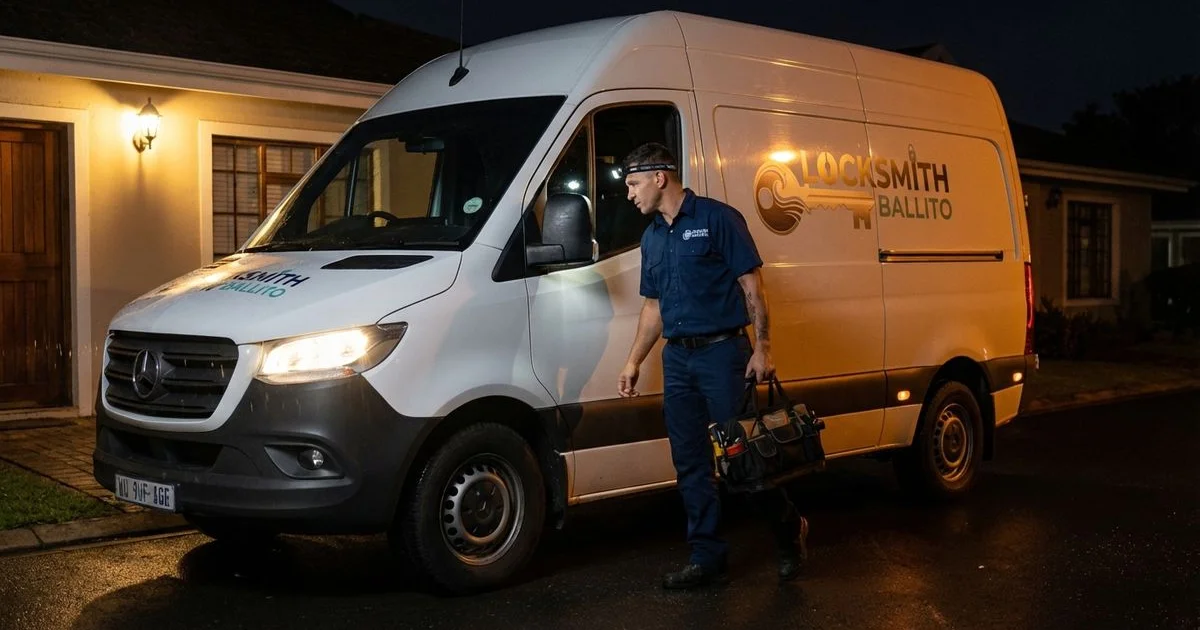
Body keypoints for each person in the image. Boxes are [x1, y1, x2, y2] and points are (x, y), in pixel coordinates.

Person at [617, 142, 809, 590]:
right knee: (690, 463)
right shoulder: (652, 238)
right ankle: (707, 557)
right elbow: (653, 307)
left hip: (724, 355)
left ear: (659, 177)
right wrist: (633, 361)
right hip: (678, 359)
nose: (629, 194)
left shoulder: (718, 219)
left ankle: (789, 533)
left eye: (632, 183)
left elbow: (752, 286)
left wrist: (762, 348)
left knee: (747, 460)